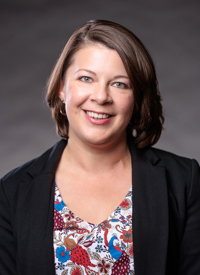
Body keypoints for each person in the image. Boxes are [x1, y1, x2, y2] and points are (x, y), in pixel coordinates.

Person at [0, 20, 199, 275]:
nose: (101, 97)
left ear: (136, 98)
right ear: (62, 88)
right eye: (86, 78)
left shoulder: (185, 181)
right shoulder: (11, 193)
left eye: (119, 84)